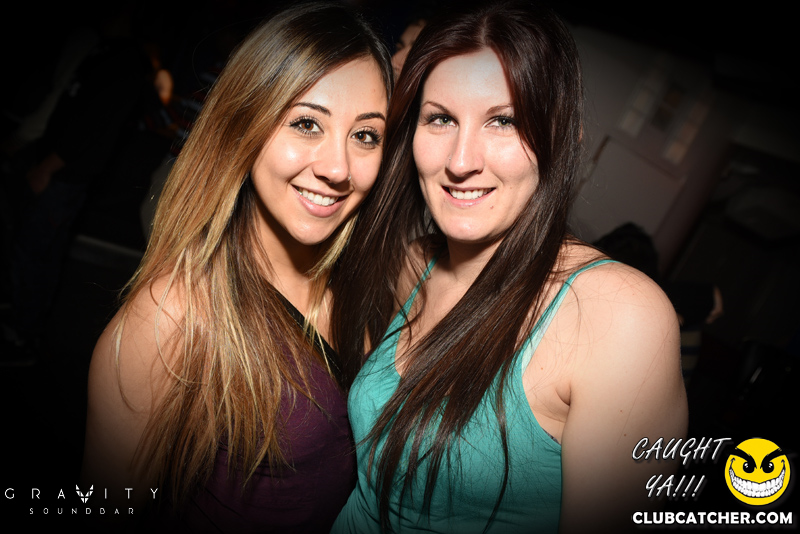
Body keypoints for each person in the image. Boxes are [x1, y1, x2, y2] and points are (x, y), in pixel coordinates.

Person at [330, 1, 688, 532]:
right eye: (441, 119)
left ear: (560, 138)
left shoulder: (620, 318)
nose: (460, 161)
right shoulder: (412, 265)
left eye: (503, 121)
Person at [80, 2, 391, 532]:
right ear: (245, 123)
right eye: (306, 124)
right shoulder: (174, 315)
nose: (339, 168)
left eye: (365, 135)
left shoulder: (372, 285)